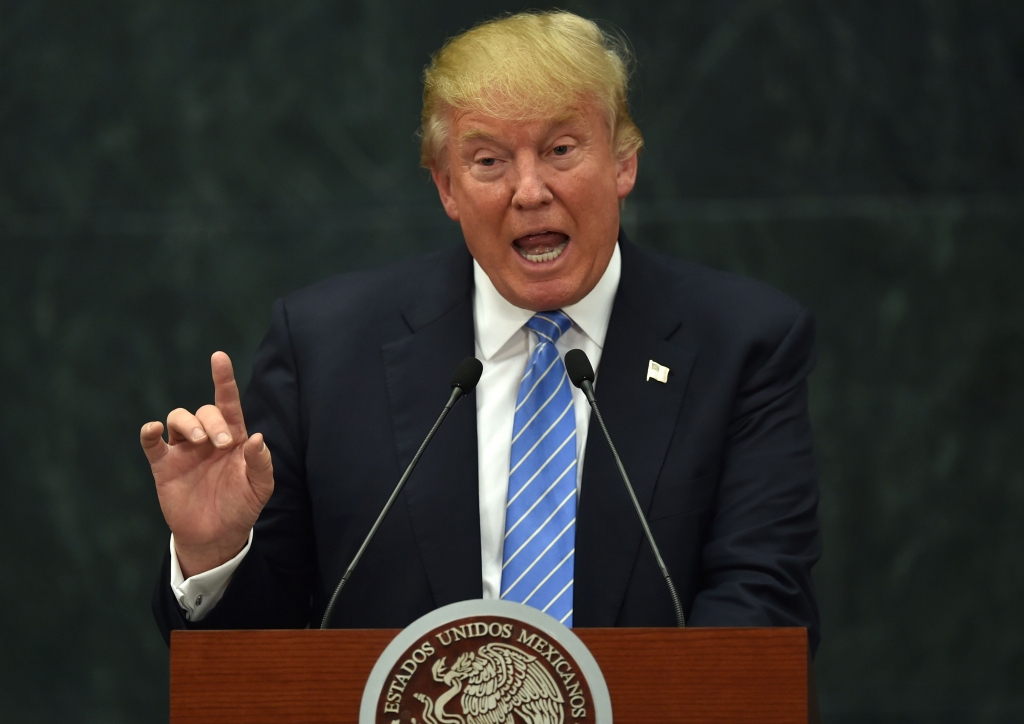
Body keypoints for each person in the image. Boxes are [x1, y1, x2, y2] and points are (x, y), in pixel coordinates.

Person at [142, 11, 821, 652]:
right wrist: (213, 554)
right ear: (445, 188)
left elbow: (762, 602)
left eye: (560, 149)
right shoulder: (326, 349)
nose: (529, 191)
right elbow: (259, 646)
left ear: (623, 163)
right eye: (489, 162)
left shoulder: (742, 344)